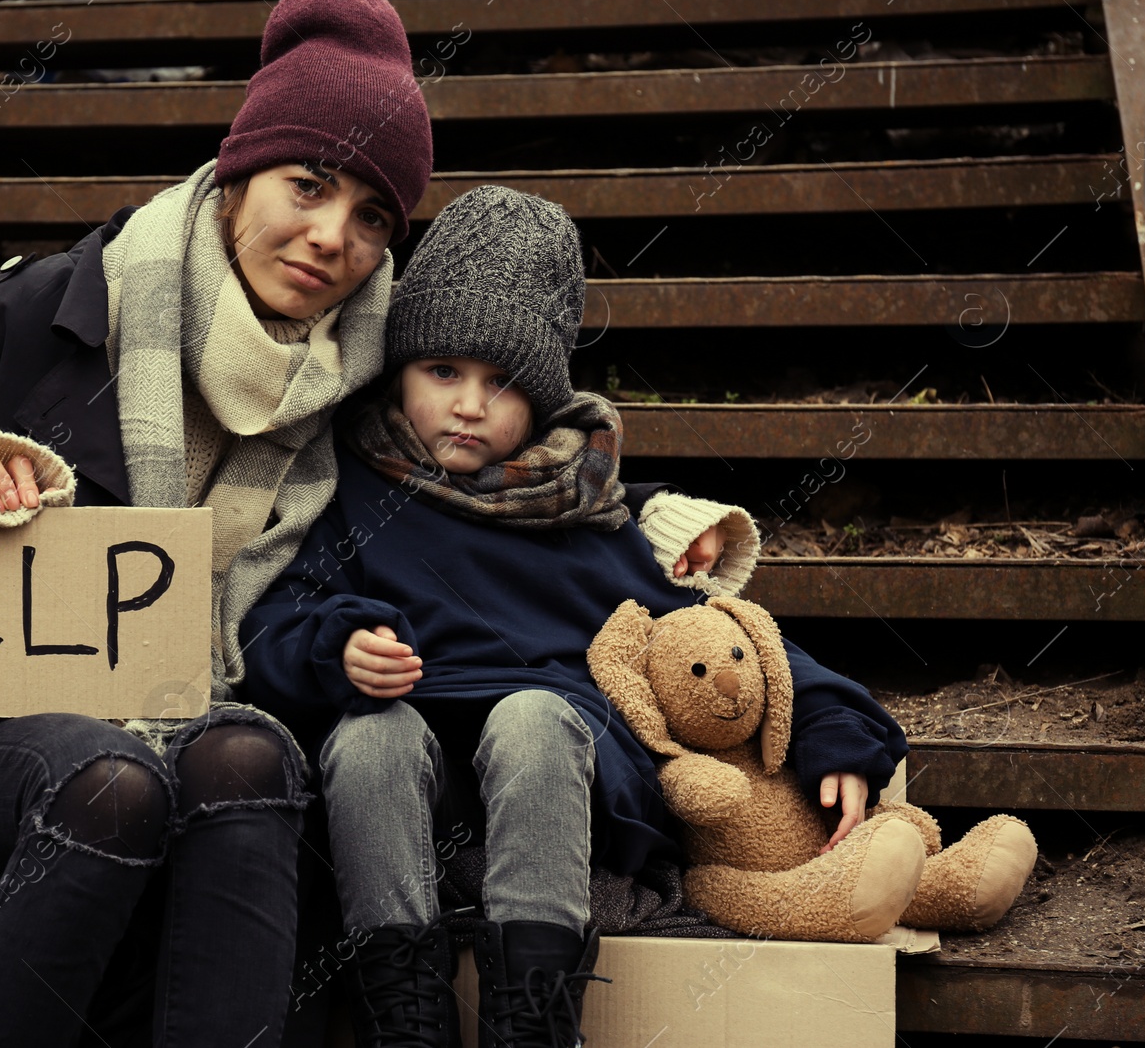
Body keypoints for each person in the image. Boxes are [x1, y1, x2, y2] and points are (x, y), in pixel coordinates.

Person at [0, 0, 433, 1045]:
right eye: (306, 185)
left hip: (198, 725)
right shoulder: (17, 321)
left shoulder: (358, 389)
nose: (331, 237)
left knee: (249, 758)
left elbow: (482, 464)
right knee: (112, 781)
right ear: (236, 175)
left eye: (372, 216)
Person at [239, 187, 908, 1048]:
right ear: (399, 369)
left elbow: (715, 637)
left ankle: (535, 1014)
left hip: (561, 776)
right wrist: (335, 649)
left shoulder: (585, 516)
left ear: (546, 399)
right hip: (415, 797)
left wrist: (835, 727)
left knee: (533, 715)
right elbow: (266, 624)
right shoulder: (348, 489)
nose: (469, 405)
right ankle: (401, 1005)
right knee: (372, 735)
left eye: (502, 383)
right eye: (442, 372)